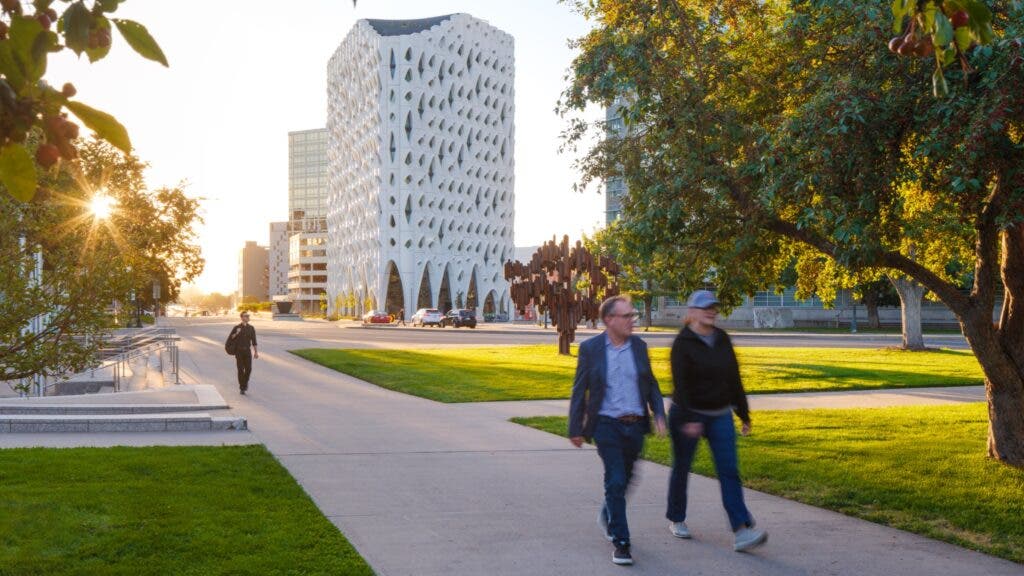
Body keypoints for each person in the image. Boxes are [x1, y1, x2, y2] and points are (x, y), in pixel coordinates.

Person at [569, 295, 667, 566]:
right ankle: (621, 542)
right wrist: (575, 427)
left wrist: (658, 413)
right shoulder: (591, 349)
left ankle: (608, 512)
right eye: (626, 316)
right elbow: (580, 390)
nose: (631, 321)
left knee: (626, 479)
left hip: (635, 425)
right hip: (606, 425)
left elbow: (651, 384)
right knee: (614, 479)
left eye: (633, 316)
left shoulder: (639, 346)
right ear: (609, 319)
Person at [666, 290, 767, 552]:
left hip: (719, 414)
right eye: (705, 307)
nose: (711, 311)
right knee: (682, 467)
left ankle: (741, 530)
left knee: (729, 470)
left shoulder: (722, 339)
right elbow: (681, 384)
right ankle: (677, 518)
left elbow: (734, 378)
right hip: (687, 413)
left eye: (714, 307)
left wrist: (743, 414)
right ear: (692, 312)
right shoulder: (683, 342)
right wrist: (689, 419)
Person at [228, 311, 258, 394]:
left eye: (248, 316)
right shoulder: (237, 327)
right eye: (246, 316)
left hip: (247, 352)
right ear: (242, 318)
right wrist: (237, 333)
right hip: (239, 352)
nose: (248, 317)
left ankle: (244, 383)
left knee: (248, 369)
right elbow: (231, 338)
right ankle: (242, 387)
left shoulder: (251, 328)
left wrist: (256, 352)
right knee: (240, 370)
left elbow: (254, 341)